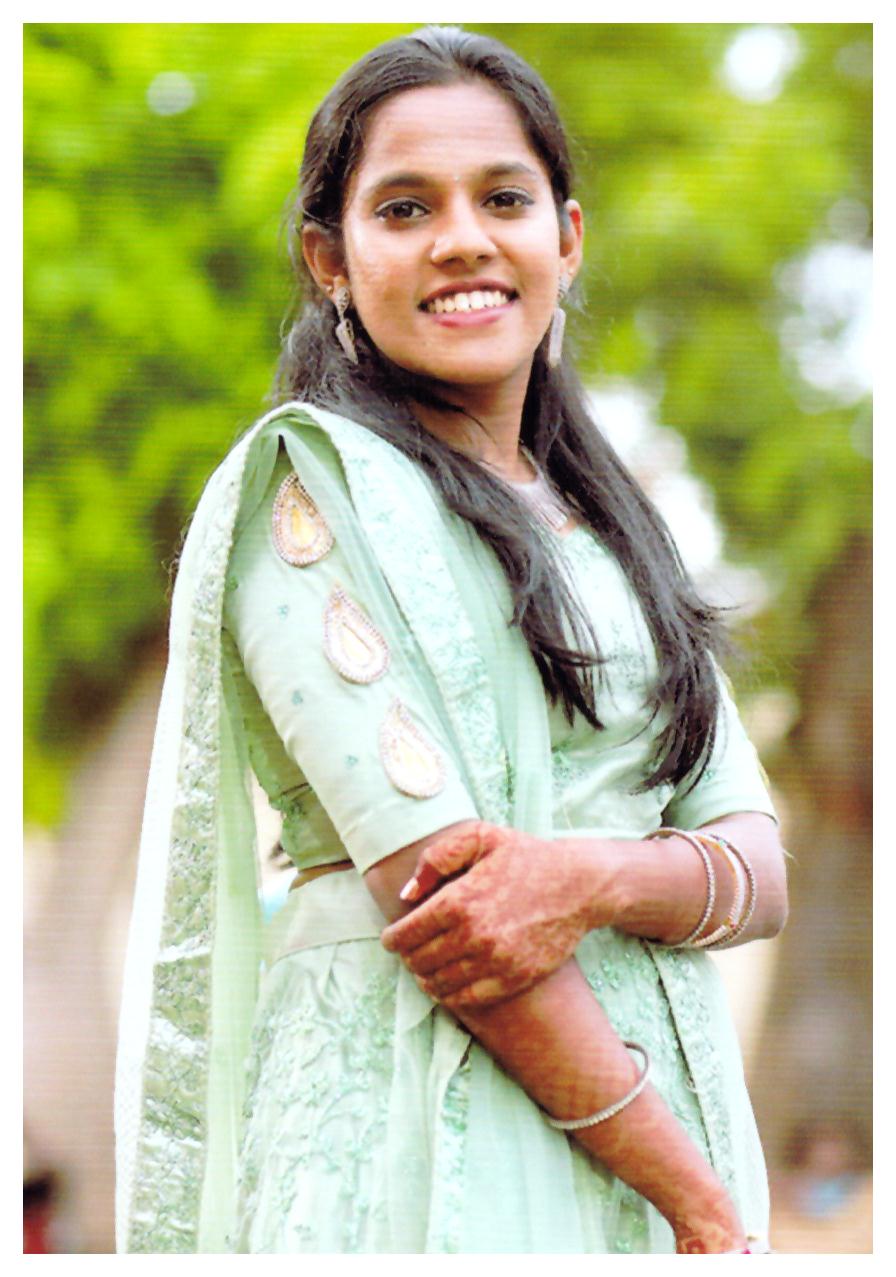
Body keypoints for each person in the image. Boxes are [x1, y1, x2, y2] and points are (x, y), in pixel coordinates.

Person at [114, 26, 788, 1254]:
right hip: (424, 1143)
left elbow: (757, 862)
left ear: (565, 238)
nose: (462, 239)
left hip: (666, 1138)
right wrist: (700, 1207)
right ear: (329, 258)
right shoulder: (309, 497)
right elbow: (460, 923)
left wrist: (585, 878)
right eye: (404, 208)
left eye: (502, 199)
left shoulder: (612, 530)